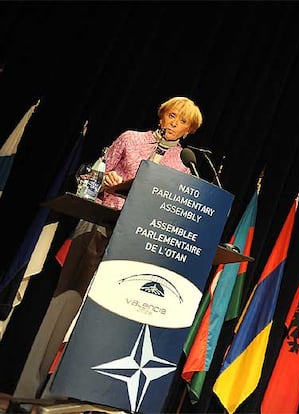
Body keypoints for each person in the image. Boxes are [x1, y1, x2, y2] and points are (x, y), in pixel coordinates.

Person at [9, 96, 203, 413]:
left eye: (182, 121)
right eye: (171, 115)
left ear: (188, 130)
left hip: (134, 246)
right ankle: (26, 395)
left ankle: (73, 396)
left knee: (106, 320)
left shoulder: (183, 167)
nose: (173, 123)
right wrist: (105, 180)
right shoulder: (130, 139)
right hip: (98, 225)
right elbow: (89, 176)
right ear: (162, 114)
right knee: (63, 306)